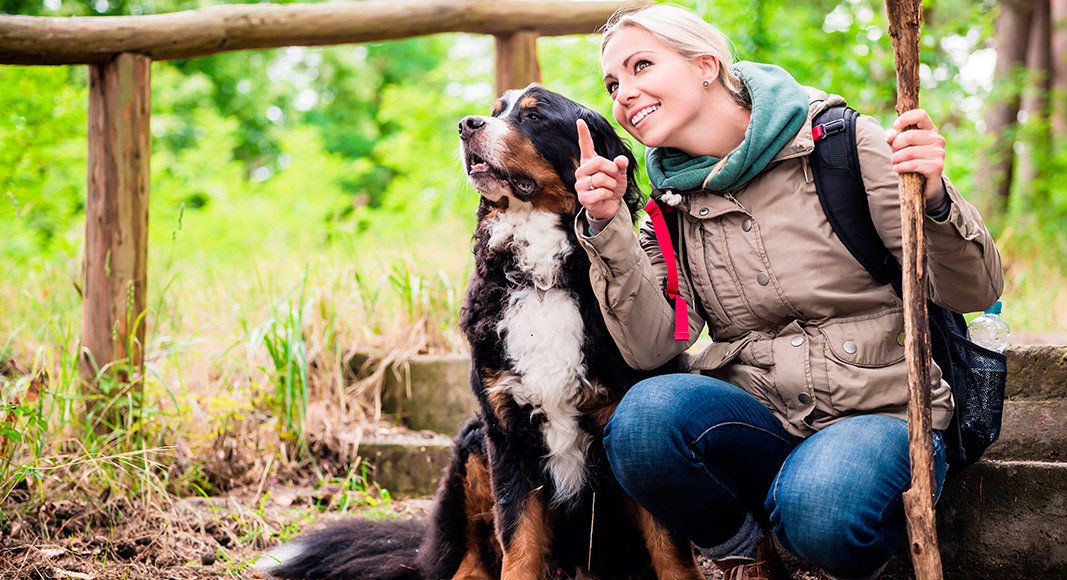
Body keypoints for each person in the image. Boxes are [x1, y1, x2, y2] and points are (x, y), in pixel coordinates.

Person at [572, 4, 1003, 580]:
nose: (624, 92)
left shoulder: (844, 147)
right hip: (758, 415)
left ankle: (813, 545)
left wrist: (934, 201)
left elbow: (974, 289)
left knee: (820, 509)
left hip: (880, 411)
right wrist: (609, 229)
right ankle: (747, 556)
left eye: (641, 65)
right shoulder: (667, 210)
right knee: (643, 422)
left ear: (707, 65)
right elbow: (654, 347)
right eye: (613, 82)